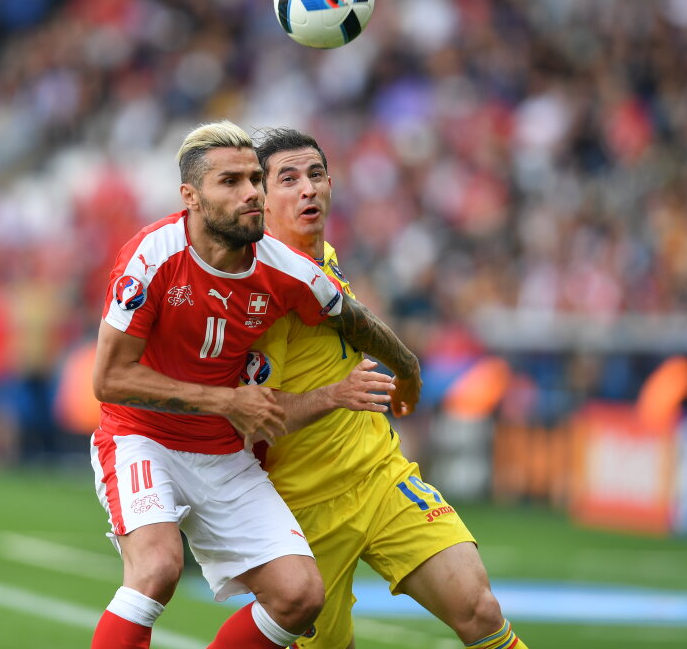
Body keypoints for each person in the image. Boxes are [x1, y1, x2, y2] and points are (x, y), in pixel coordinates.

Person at [90, 120, 424, 649]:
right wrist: (226, 399)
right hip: (142, 438)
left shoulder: (288, 271)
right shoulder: (151, 258)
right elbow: (108, 379)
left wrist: (407, 368)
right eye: (231, 182)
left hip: (221, 451)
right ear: (191, 197)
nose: (251, 193)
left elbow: (355, 321)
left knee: (299, 596)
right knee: (156, 570)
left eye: (254, 179)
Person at [247, 127, 529, 649]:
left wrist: (406, 368)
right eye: (288, 179)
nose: (308, 188)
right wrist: (333, 395)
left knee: (479, 608)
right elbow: (250, 415)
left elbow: (356, 323)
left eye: (315, 175)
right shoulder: (259, 294)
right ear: (259, 199)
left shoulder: (321, 257)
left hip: (380, 476)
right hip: (305, 508)